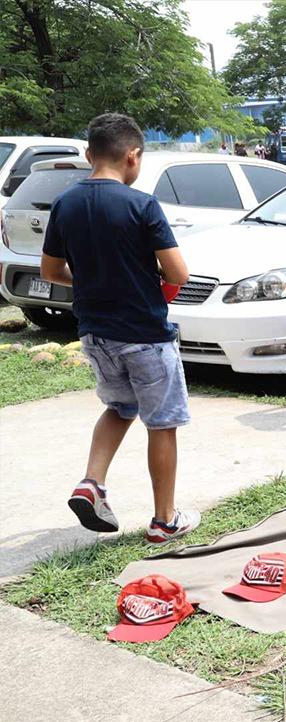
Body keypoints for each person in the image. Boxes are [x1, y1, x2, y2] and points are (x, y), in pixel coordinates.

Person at [40, 113, 201, 542]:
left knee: (119, 408)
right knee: (162, 422)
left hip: (95, 333)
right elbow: (178, 273)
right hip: (144, 334)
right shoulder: (141, 204)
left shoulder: (65, 204)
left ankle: (91, 482)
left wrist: (93, 278)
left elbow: (51, 269)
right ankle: (165, 520)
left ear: (90, 154)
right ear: (133, 156)